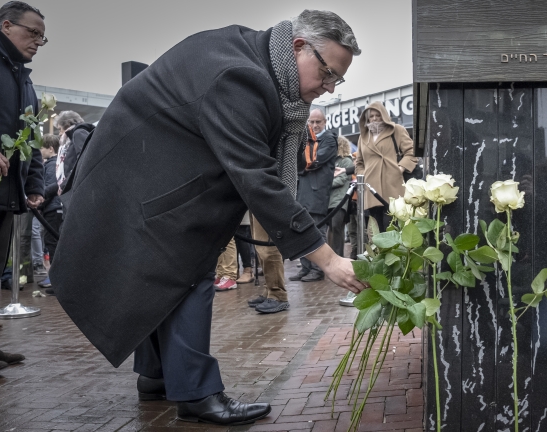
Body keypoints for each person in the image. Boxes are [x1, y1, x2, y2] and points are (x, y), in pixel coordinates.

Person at [50, 10, 364, 426]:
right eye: (326, 74)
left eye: (336, 81)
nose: (327, 89)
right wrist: (328, 259)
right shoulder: (241, 78)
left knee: (158, 275)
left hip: (142, 180)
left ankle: (157, 375)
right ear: (298, 47)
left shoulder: (250, 57)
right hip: (139, 185)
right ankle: (197, 394)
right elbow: (257, 178)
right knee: (188, 274)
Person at [0, 1, 47, 374]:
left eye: (42, 37)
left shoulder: (25, 79)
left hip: (6, 195)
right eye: (32, 32)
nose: (38, 41)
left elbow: (31, 137)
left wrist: (35, 184)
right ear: (6, 25)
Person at [290, 110, 338, 282]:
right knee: (302, 229)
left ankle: (318, 269)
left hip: (317, 193)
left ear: (325, 122)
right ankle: (306, 267)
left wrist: (300, 164)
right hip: (303, 191)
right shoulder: (307, 139)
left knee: (317, 230)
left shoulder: (329, 139)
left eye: (318, 122)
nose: (315, 125)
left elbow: (313, 161)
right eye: (312, 122)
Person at [355, 101, 418, 230]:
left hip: (392, 184)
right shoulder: (363, 137)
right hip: (371, 187)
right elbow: (359, 162)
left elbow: (411, 151)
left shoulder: (397, 130)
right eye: (371, 116)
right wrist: (363, 175)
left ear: (383, 114)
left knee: (392, 225)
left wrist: (400, 168)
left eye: (377, 115)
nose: (374, 118)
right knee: (376, 229)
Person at [247, 215, 290, 314]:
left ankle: (277, 293)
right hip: (253, 200)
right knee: (260, 245)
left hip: (264, 200)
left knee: (268, 246)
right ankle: (270, 289)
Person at [36, 134, 61, 294]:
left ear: (50, 149)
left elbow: (52, 186)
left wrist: (39, 198)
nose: (40, 151)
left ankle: (55, 280)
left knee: (52, 243)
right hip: (53, 208)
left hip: (52, 209)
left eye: (42, 148)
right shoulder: (54, 164)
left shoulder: (51, 165)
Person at [327, 135, 354, 257]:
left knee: (337, 227)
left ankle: (338, 256)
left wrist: (325, 183)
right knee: (331, 229)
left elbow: (342, 179)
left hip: (339, 200)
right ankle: (332, 255)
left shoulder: (346, 161)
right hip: (330, 200)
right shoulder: (333, 160)